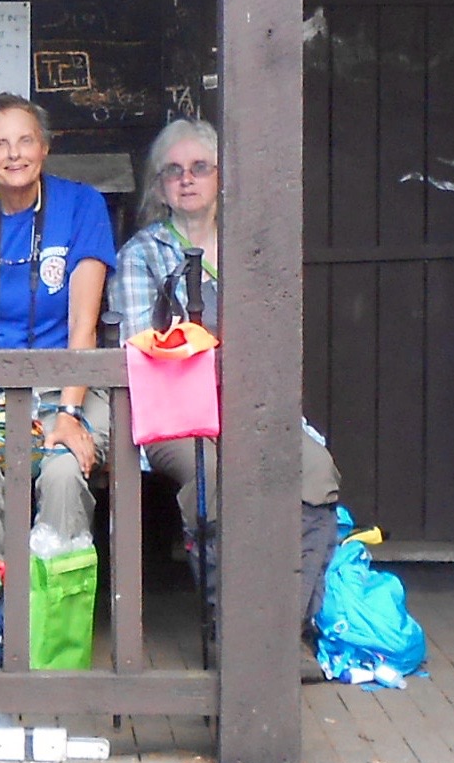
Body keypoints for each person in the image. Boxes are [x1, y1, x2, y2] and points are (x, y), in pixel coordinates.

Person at [110, 117, 344, 673]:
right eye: (174, 171)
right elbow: (142, 346)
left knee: (314, 472)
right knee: (211, 479)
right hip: (180, 412)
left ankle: (283, 633)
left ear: (222, 177)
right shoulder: (144, 253)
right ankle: (228, 634)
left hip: (253, 406)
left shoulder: (254, 249)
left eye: (200, 168)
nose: (187, 180)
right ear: (159, 184)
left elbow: (276, 338)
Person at [0, 93, 116, 563]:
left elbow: (82, 324)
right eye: (0, 144)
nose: (14, 154)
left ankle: (53, 617)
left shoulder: (81, 205)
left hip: (65, 385)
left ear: (45, 148)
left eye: (25, 141)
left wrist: (71, 412)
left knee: (64, 470)